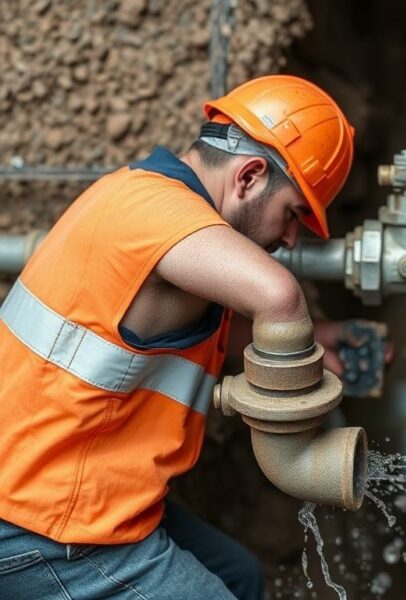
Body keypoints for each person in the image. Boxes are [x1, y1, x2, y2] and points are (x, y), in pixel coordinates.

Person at [0, 75, 355, 600]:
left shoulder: (142, 195)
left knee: (240, 577)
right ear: (250, 176)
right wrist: (295, 341)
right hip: (44, 522)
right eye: (294, 214)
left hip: (56, 487)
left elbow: (175, 334)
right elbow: (279, 297)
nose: (289, 238)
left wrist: (316, 338)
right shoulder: (157, 214)